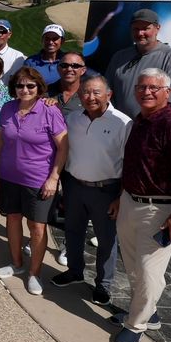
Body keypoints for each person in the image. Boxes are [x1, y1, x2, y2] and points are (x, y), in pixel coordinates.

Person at [111, 68, 171, 342]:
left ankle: (135, 325)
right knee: (134, 265)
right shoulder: (140, 121)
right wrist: (121, 196)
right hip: (130, 202)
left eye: (153, 88)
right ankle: (148, 310)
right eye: (142, 87)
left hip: (162, 211)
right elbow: (134, 165)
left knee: (149, 271)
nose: (146, 92)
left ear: (167, 92)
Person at [51, 74, 132, 307]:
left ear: (109, 95)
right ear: (79, 95)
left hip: (106, 190)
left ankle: (103, 285)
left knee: (107, 240)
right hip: (75, 186)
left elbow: (129, 163)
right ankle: (75, 272)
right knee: (73, 232)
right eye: (86, 92)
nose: (91, 97)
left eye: (97, 92)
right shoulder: (74, 118)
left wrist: (120, 196)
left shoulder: (123, 123)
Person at [0, 67, 67, 296]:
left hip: (38, 179)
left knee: (36, 226)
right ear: (14, 87)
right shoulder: (8, 108)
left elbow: (63, 146)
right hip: (8, 176)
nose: (25, 89)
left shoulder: (48, 110)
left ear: (39, 88)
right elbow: (0, 141)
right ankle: (16, 263)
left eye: (30, 86)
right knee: (13, 219)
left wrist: (54, 177)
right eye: (20, 85)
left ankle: (34, 273)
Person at [105, 8, 171, 119]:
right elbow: (107, 91)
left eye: (145, 28)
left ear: (157, 28)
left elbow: (170, 101)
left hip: (152, 128)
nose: (140, 33)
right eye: (136, 29)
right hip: (119, 127)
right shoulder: (119, 57)